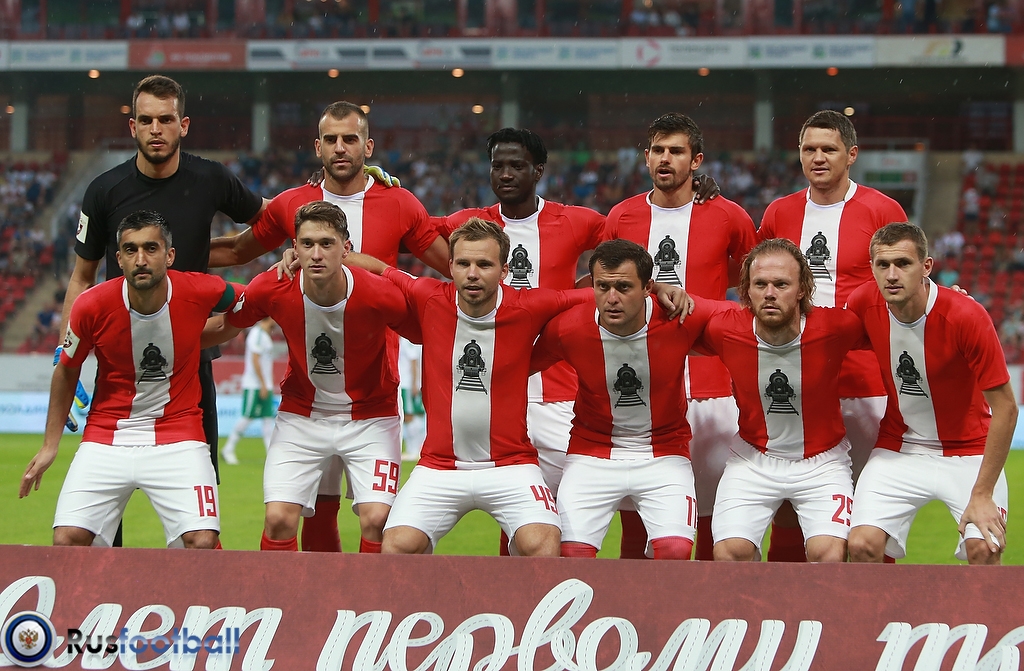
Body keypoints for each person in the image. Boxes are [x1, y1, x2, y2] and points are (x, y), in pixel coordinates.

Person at [209, 100, 449, 553]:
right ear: (317, 146)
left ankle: (364, 597)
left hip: (373, 388)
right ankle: (310, 598)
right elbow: (238, 251)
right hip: (309, 391)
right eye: (331, 140)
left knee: (375, 519)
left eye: (350, 139)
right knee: (315, 511)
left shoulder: (398, 203)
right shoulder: (291, 204)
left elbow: (453, 266)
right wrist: (167, 254)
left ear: (368, 147)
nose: (341, 148)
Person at [61, 74, 266, 490]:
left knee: (201, 490)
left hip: (193, 353)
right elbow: (82, 277)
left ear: (183, 125)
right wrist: (64, 355)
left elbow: (272, 218)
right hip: (119, 361)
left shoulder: (210, 179)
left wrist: (353, 192)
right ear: (132, 126)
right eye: (146, 120)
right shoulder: (104, 191)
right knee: (105, 498)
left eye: (166, 119)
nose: (156, 129)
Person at [345, 218, 594, 556]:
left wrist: (656, 289)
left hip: (511, 465)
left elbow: (593, 294)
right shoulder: (429, 296)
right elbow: (380, 269)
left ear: (504, 270)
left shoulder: (528, 305)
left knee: (542, 545)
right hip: (439, 466)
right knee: (397, 547)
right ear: (450, 266)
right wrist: (302, 258)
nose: (472, 274)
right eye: (463, 264)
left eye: (484, 265)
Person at [20, 211, 241, 549]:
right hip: (106, 436)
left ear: (169, 255)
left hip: (179, 435)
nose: (141, 259)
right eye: (131, 249)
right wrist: (50, 445)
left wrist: (284, 269)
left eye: (151, 248)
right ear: (119, 258)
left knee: (202, 541)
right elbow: (66, 368)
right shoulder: (90, 306)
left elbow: (252, 300)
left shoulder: (199, 289)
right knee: (67, 540)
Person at [203, 201, 413, 553]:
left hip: (372, 416)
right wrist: (167, 342)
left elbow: (428, 329)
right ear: (294, 249)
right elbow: (227, 325)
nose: (316, 254)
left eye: (327, 244)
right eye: (307, 244)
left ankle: (369, 592)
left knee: (378, 521)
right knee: (278, 519)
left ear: (346, 249)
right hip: (302, 414)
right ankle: (284, 591)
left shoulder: (379, 294)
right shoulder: (272, 287)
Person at [757, 109, 908, 562]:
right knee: (788, 504)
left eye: (829, 149)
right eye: (809, 149)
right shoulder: (779, 212)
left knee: (871, 509)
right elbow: (756, 282)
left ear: (851, 154)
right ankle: (788, 601)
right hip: (793, 379)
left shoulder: (882, 210)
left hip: (864, 379)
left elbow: (906, 282)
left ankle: (873, 603)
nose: (818, 157)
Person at [605, 112, 757, 559]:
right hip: (640, 386)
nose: (665, 159)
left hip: (712, 388)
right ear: (645, 157)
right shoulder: (621, 216)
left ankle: (707, 602)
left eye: (676, 151)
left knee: (713, 515)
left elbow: (755, 286)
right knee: (637, 517)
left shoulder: (729, 216)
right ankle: (636, 601)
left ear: (696, 160)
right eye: (657, 150)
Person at [532, 239, 724, 559]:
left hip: (664, 452)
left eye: (623, 287)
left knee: (675, 551)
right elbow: (515, 367)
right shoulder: (568, 328)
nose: (612, 299)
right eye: (603, 287)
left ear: (648, 288)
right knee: (571, 554)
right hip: (592, 453)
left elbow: (746, 320)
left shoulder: (680, 316)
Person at [846, 223, 1016, 565]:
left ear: (926, 267)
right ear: (872, 268)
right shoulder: (863, 303)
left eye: (903, 264)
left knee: (984, 549)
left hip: (969, 451)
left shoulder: (966, 316)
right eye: (883, 265)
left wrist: (982, 493)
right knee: (861, 545)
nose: (892, 275)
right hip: (900, 447)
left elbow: (1007, 409)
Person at [693, 238, 868, 562]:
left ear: (802, 290)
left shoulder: (836, 327)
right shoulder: (724, 329)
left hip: (823, 464)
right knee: (729, 554)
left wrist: (946, 297)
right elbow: (666, 327)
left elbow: (896, 326)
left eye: (781, 284)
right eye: (760, 284)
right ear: (747, 290)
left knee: (829, 556)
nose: (770, 293)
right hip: (752, 460)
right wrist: (663, 290)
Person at [221, 316, 276, 465]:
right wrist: (263, 383)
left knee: (268, 419)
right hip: (254, 385)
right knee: (247, 417)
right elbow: (255, 359)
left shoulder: (264, 335)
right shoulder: (257, 334)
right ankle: (228, 449)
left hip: (265, 385)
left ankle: (271, 455)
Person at [398, 336, 426, 461]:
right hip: (406, 382)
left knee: (410, 416)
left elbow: (413, 361)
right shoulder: (403, 340)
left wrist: (414, 383)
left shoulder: (407, 340)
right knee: (410, 416)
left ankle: (414, 450)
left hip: (407, 383)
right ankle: (413, 449)